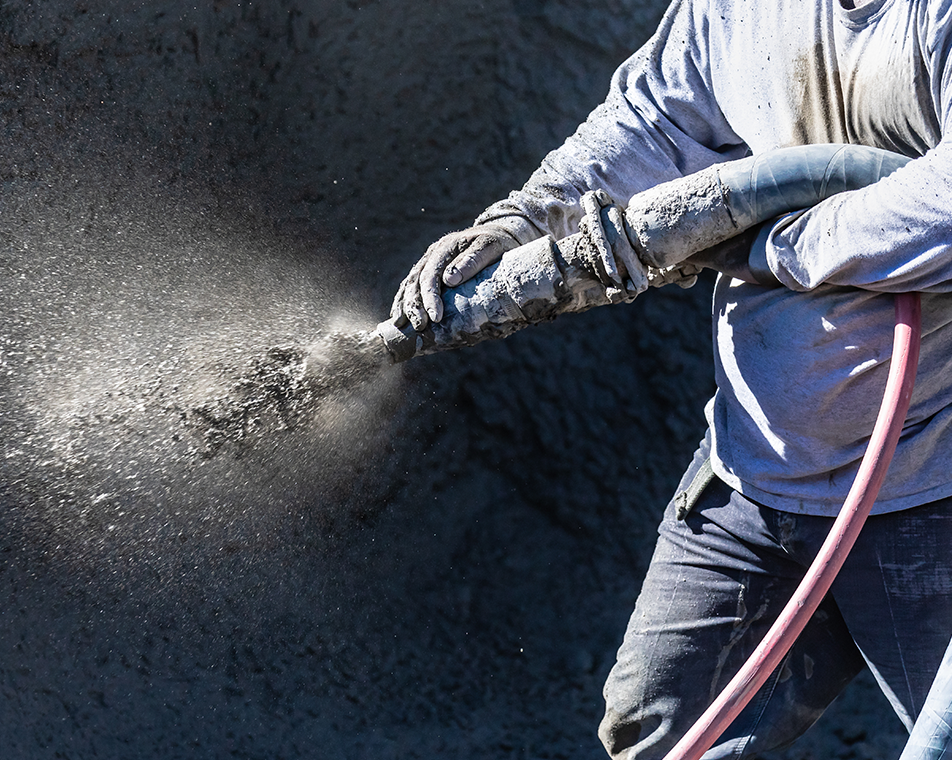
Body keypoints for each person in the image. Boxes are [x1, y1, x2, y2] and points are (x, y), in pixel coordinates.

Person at [391, 0, 952, 756]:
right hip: (754, 481)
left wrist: (767, 243)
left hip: (928, 495)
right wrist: (525, 224)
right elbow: (653, 125)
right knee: (656, 731)